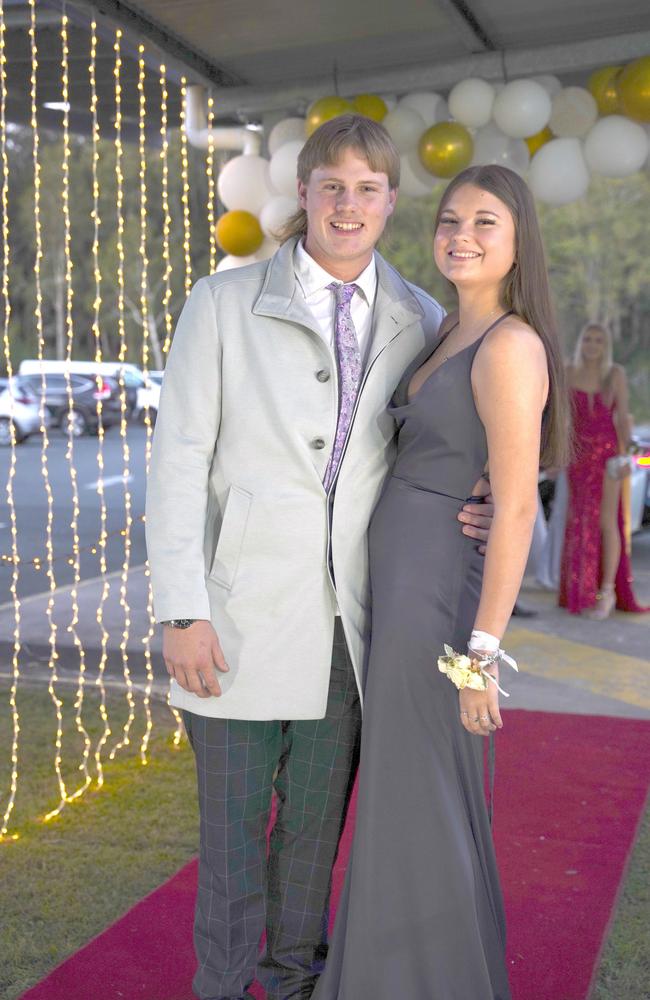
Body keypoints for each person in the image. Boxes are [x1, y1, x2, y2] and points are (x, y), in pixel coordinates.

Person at [145, 114, 493, 1000]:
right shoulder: (222, 303)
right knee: (230, 842)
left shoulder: (421, 317)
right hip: (233, 624)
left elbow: (447, 438)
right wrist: (180, 609)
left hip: (352, 631)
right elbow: (178, 457)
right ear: (302, 193)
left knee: (311, 840)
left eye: (366, 189)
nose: (348, 204)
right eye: (331, 185)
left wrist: (478, 499)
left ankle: (295, 985)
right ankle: (221, 987)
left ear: (390, 202)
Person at [311, 164, 568, 1000]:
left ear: (518, 239)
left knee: (421, 795)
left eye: (485, 222)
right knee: (403, 797)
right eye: (451, 219)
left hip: (439, 615)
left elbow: (519, 511)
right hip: (404, 593)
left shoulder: (510, 344)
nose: (462, 234)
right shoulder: (444, 329)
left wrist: (481, 657)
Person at [559, 321, 647, 617]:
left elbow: (623, 420)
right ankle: (579, 590)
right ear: (581, 342)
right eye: (588, 339)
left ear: (605, 345)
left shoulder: (615, 374)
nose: (592, 345)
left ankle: (606, 591)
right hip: (577, 457)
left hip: (607, 457)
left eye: (598, 340)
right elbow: (562, 417)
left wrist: (628, 461)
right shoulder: (569, 370)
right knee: (578, 521)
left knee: (606, 522)